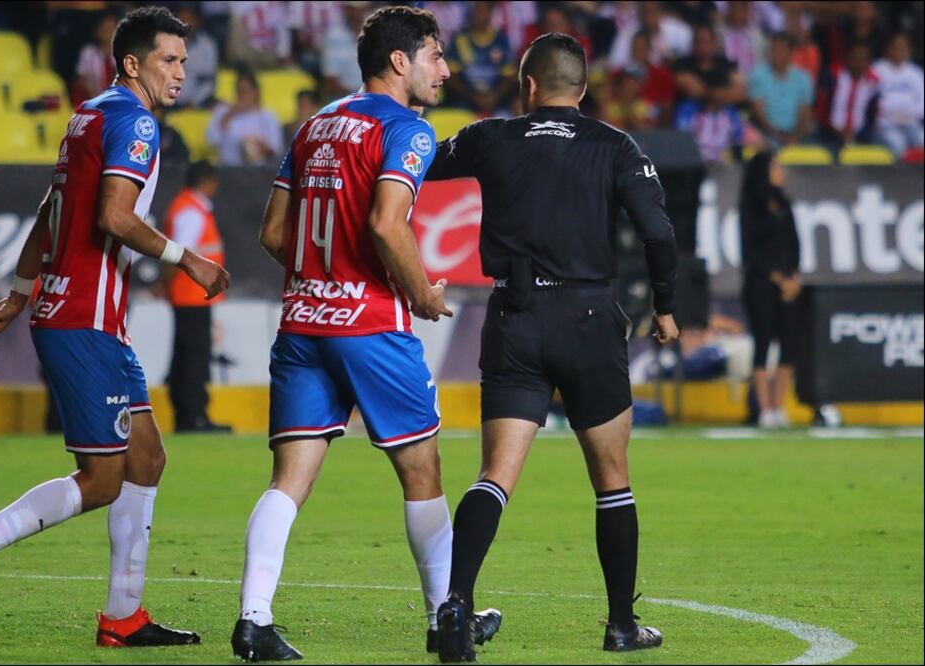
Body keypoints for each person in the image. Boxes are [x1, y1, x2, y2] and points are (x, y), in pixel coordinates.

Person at [0, 6, 229, 646]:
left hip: (78, 311)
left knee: (146, 458)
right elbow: (114, 216)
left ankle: (123, 617)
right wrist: (187, 257)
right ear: (132, 63)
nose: (180, 73)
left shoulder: (90, 113)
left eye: (184, 61)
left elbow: (51, 209)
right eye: (169, 60)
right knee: (104, 477)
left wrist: (20, 291)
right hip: (87, 316)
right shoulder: (135, 121)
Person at [229, 6, 499, 661]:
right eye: (435, 55)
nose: (446, 67)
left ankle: (253, 619)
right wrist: (420, 290)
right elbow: (385, 223)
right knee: (421, 469)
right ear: (399, 62)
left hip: (301, 320)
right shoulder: (408, 129)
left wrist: (320, 279)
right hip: (369, 324)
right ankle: (445, 618)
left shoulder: (315, 124)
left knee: (289, 477)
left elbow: (272, 233)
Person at [424, 32, 678, 661]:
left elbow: (416, 163)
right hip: (588, 318)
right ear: (583, 90)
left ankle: (455, 604)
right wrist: (666, 308)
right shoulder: (615, 146)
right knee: (612, 479)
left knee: (495, 475)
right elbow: (659, 233)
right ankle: (621, 625)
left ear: (527, 86)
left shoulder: (489, 137)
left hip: (514, 316)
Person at [161, 159, 232, 433]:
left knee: (185, 356)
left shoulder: (187, 207)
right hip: (191, 295)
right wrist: (166, 283)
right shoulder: (191, 212)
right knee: (194, 358)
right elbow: (179, 253)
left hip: (188, 295)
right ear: (207, 181)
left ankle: (188, 415)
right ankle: (194, 416)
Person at [739, 151, 801, 429]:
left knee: (790, 344)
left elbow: (795, 244)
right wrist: (777, 277)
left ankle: (779, 407)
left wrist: (794, 277)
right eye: (776, 166)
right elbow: (750, 250)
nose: (781, 171)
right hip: (760, 283)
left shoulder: (785, 204)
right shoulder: (751, 205)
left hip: (788, 285)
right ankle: (764, 409)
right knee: (763, 343)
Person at [206, 69, 283, 166]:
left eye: (245, 91)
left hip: (258, 171)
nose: (242, 95)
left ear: (255, 92)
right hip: (228, 168)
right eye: (239, 91)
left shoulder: (268, 116)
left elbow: (276, 149)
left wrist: (260, 147)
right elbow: (211, 140)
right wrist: (230, 115)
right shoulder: (222, 111)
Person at [748, 32, 814, 147]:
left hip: (796, 134)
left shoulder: (803, 78)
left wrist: (795, 137)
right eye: (773, 49)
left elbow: (804, 113)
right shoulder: (757, 75)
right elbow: (758, 113)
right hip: (766, 133)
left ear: (790, 54)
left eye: (780, 50)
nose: (775, 54)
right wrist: (777, 135)